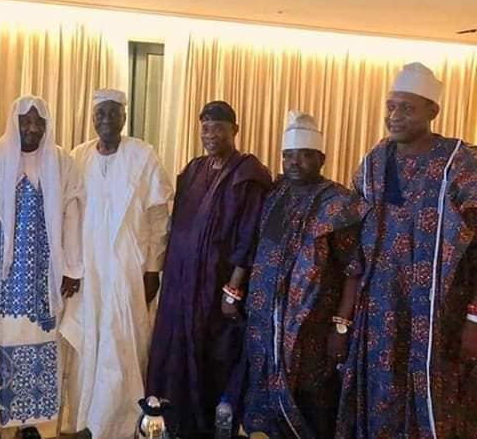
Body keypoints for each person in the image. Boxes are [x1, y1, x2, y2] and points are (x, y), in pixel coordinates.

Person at [337, 62, 477, 438]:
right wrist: (343, 317)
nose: (395, 115)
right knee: (381, 396)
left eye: (407, 108)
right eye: (391, 106)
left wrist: (474, 319)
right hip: (380, 309)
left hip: (441, 314)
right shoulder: (374, 162)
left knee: (437, 403)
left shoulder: (460, 163)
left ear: (433, 111)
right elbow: (353, 239)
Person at [146, 100, 271, 438]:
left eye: (218, 128)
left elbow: (250, 235)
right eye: (205, 128)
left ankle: (211, 426)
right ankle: (176, 421)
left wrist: (233, 289)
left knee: (213, 353)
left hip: (218, 286)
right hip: (181, 281)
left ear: (235, 130)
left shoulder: (248, 174)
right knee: (175, 348)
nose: (210, 134)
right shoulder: (193, 170)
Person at [0, 96, 82, 439]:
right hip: (4, 279)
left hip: (45, 278)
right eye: (25, 121)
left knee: (41, 341)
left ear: (46, 125)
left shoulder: (61, 162)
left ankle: (30, 423)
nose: (31, 128)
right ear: (13, 123)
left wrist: (72, 267)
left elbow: (72, 215)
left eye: (38, 122)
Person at [243, 111, 367, 439]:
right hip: (264, 323)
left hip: (311, 328)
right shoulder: (275, 195)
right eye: (288, 155)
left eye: (305, 155)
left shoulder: (340, 204)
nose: (294, 163)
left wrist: (341, 325)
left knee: (311, 399)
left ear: (322, 158)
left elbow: (353, 270)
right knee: (262, 396)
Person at [61, 89, 173, 439]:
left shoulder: (143, 155)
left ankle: (118, 423)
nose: (106, 119)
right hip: (88, 267)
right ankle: (85, 420)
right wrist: (70, 267)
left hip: (128, 266)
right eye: (100, 113)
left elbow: (158, 217)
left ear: (124, 117)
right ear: (92, 118)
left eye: (113, 113)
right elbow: (68, 214)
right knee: (87, 338)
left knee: (122, 338)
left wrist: (153, 267)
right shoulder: (78, 156)